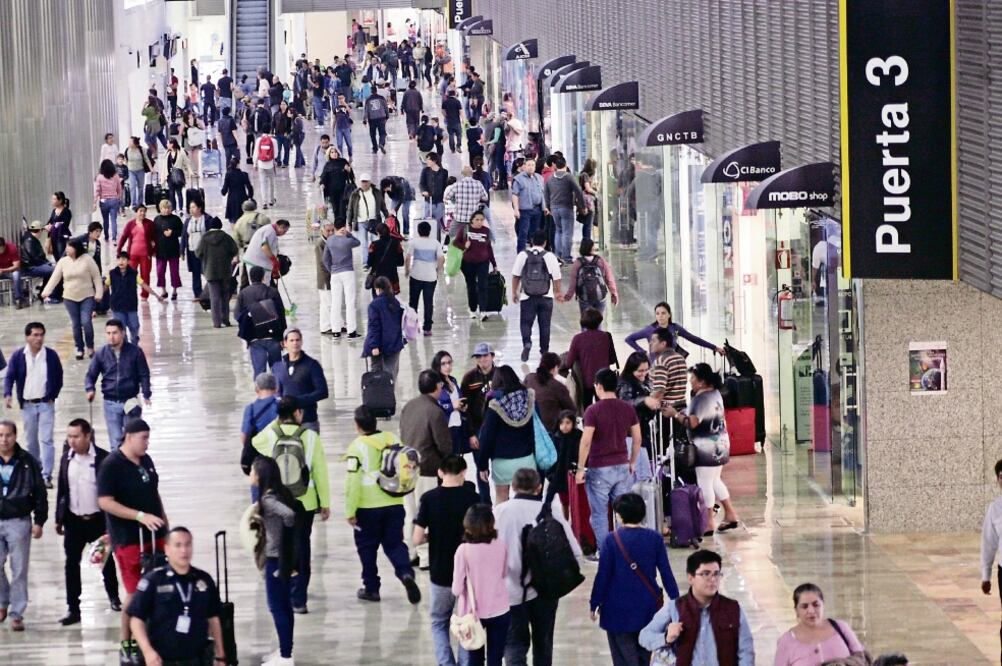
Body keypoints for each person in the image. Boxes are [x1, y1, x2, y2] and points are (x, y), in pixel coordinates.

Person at [252, 397, 331, 614]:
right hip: (304, 501)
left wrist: (276, 423)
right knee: (302, 546)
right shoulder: (311, 437)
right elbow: (320, 472)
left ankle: (282, 591)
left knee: (278, 546)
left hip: (277, 501)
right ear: (298, 412)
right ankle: (299, 599)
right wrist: (324, 503)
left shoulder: (270, 435)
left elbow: (254, 442)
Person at [96, 418, 166, 663]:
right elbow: (105, 501)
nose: (147, 443)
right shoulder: (112, 465)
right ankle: (127, 641)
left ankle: (152, 634)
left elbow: (154, 494)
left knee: (157, 586)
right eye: (143, 438)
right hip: (128, 539)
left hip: (154, 535)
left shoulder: (146, 460)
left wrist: (163, 523)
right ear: (128, 437)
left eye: (148, 438)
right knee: (135, 593)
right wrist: (138, 516)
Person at [494, 468, 580, 666]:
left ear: (513, 487)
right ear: (539, 487)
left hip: (509, 591)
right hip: (546, 589)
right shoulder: (551, 511)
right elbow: (575, 552)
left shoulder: (499, 512)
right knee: (543, 644)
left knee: (514, 645)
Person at [590, 493, 679, 666]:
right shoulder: (654, 538)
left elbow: (603, 576)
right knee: (644, 655)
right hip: (647, 607)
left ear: (620, 515)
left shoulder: (611, 540)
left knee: (623, 658)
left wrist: (594, 603)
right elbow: (666, 574)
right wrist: (676, 602)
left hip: (616, 610)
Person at [344, 405, 422, 604]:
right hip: (394, 503)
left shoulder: (356, 447)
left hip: (367, 508)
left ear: (357, 425)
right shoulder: (391, 439)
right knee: (395, 544)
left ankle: (371, 588)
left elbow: (353, 483)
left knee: (367, 549)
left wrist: (350, 511)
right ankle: (406, 573)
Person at [413, 454, 479, 664]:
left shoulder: (429, 498)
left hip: (440, 572)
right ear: (464, 472)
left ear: (440, 473)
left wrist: (432, 536)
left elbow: (416, 538)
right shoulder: (473, 499)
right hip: (469, 573)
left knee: (439, 622)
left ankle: (446, 662)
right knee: (466, 622)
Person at [128, 527, 226, 666]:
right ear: (167, 549)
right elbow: (136, 620)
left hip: (196, 659)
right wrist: (147, 651)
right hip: (162, 660)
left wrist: (220, 654)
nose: (184, 551)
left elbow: (213, 618)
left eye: (188, 544)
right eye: (178, 545)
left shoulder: (203, 580)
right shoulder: (154, 580)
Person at [55, 418, 121, 626]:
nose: (71, 441)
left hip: (98, 521)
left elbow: (114, 493)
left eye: (76, 436)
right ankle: (73, 608)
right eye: (69, 436)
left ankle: (114, 597)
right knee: (71, 565)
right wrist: (59, 518)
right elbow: (62, 490)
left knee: (106, 562)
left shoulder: (104, 459)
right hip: (74, 521)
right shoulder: (66, 458)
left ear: (87, 436)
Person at [639, 549, 754, 665]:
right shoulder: (675, 608)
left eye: (716, 574)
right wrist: (666, 638)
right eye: (705, 574)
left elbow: (746, 651)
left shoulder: (733, 609)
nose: (713, 579)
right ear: (690, 578)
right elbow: (644, 636)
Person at [664, 363, 741, 535]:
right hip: (721, 443)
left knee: (705, 483)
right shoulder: (715, 394)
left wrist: (674, 414)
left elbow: (692, 423)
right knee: (714, 481)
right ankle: (730, 514)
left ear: (701, 382)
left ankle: (709, 522)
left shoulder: (700, 398)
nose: (690, 381)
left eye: (692, 378)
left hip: (706, 446)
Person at [575, 368, 642, 557]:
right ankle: (626, 550)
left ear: (599, 386)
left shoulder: (593, 410)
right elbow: (637, 439)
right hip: (622, 465)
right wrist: (633, 461)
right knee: (624, 512)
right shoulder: (627, 408)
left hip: (599, 469)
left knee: (599, 514)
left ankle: (605, 552)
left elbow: (586, 441)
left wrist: (581, 468)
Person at [250, 456, 299, 666]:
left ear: (260, 475)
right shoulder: (280, 493)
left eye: (252, 471)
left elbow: (289, 515)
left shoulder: (268, 501)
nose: (250, 474)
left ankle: (286, 656)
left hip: (275, 559)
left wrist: (281, 542)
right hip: (282, 558)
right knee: (285, 606)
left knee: (276, 606)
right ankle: (285, 649)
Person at [400, 370, 453, 562]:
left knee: (410, 513)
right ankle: (424, 557)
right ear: (437, 386)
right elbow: (444, 445)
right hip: (427, 469)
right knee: (426, 514)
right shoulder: (435, 411)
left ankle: (410, 552)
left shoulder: (408, 407)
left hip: (406, 468)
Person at [0, 419, 47, 633]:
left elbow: (39, 492)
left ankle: (16, 612)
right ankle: (2, 601)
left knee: (19, 569)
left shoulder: (27, 461)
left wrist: (39, 521)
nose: (4, 440)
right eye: (0, 436)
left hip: (19, 520)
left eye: (8, 435)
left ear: (15, 436)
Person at [3, 322, 63, 486]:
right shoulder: (18, 356)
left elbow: (59, 376)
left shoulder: (50, 355)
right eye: (35, 335)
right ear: (27, 337)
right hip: (28, 405)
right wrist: (7, 394)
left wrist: (53, 395)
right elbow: (10, 377)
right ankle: (35, 470)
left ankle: (46, 475)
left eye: (41, 334)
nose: (39, 338)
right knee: (31, 441)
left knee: (46, 439)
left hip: (46, 404)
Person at [452, 504, 510, 666]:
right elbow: (504, 573)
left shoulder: (463, 551)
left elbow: (456, 589)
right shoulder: (500, 544)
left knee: (475, 659)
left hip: (473, 614)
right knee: (496, 658)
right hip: (500, 609)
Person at [85, 320, 153, 450]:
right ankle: (118, 468)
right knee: (115, 442)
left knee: (132, 439)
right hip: (110, 403)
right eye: (108, 333)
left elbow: (144, 374)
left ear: (122, 333)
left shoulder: (135, 352)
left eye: (114, 333)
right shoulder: (101, 353)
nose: (111, 336)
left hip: (130, 402)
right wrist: (90, 388)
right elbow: (91, 374)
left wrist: (146, 393)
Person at [476, 366, 536, 504]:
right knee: (526, 501)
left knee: (501, 498)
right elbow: (536, 429)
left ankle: (502, 525)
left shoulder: (494, 406)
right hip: (526, 459)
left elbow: (487, 438)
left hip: (502, 462)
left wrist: (482, 465)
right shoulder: (529, 401)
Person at [773, 583, 866, 666]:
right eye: (804, 606)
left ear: (823, 605)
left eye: (816, 604)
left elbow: (862, 659)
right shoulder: (786, 642)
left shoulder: (840, 627)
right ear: (796, 610)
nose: (811, 611)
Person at [42, 239, 104, 360]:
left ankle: (90, 347)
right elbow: (55, 277)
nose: (67, 250)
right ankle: (79, 348)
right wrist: (46, 291)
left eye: (69, 247)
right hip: (69, 297)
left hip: (87, 296)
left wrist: (99, 293)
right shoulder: (63, 261)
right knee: (75, 324)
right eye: (66, 247)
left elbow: (96, 277)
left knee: (86, 322)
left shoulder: (87, 260)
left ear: (76, 248)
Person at [511, 230, 564, 362]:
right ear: (545, 243)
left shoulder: (523, 255)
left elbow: (516, 275)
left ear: (532, 241)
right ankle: (544, 351)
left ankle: (527, 343)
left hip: (527, 296)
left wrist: (514, 292)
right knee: (545, 325)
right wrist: (557, 292)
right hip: (546, 296)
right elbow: (557, 277)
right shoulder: (550, 256)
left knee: (525, 323)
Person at [272, 329, 329, 433]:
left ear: (302, 342)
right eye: (292, 340)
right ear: (284, 343)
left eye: (297, 340)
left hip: (307, 421)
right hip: (285, 423)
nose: (295, 343)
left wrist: (298, 401)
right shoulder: (277, 367)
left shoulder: (312, 365)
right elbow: (275, 392)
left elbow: (323, 392)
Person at [626, 302, 724, 361]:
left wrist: (714, 347)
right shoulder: (649, 330)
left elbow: (694, 339)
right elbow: (629, 339)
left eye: (663, 313)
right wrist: (642, 352)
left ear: (669, 315)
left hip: (673, 366)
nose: (660, 316)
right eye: (657, 313)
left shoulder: (675, 328)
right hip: (656, 368)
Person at [616, 352, 661, 479]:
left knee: (645, 470)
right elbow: (624, 404)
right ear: (631, 370)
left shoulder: (646, 381)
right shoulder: (625, 384)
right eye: (640, 371)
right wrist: (644, 400)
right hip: (631, 435)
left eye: (647, 370)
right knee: (638, 474)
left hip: (645, 431)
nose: (644, 373)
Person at [566, 308, 619, 409]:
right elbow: (612, 360)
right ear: (599, 321)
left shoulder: (578, 338)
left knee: (587, 410)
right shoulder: (606, 336)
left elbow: (569, 362)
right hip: (604, 381)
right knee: (604, 409)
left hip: (586, 382)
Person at [543, 155, 588, 263]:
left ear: (555, 166)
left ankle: (558, 255)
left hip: (554, 208)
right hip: (566, 207)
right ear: (565, 165)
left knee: (558, 231)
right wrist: (582, 206)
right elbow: (578, 191)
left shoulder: (550, 178)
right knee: (567, 232)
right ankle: (566, 257)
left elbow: (546, 193)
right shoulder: (568, 177)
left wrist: (548, 207)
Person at [455, 210, 498, 321]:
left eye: (481, 220)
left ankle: (483, 310)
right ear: (472, 220)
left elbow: (489, 248)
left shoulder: (486, 231)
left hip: (483, 262)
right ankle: (473, 309)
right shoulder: (465, 230)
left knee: (483, 285)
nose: (479, 222)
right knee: (471, 286)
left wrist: (494, 264)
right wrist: (464, 245)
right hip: (467, 263)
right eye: (477, 220)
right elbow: (456, 242)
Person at [195, 220, 239, 327]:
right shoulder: (226, 237)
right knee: (225, 296)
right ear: (220, 226)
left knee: (214, 298)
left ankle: (217, 322)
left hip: (210, 271)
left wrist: (206, 259)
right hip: (225, 271)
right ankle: (225, 319)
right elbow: (234, 250)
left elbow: (198, 253)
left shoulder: (204, 239)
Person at [323, 218, 361, 339]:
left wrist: (331, 270)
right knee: (350, 302)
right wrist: (348, 233)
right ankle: (351, 331)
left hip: (335, 274)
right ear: (343, 227)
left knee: (335, 302)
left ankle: (336, 331)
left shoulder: (329, 240)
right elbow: (358, 242)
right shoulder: (348, 240)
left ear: (334, 227)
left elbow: (325, 259)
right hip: (348, 272)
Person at [362, 276, 406, 381]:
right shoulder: (396, 303)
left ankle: (380, 397)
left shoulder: (374, 305)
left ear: (378, 289)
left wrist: (374, 346)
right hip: (395, 344)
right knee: (391, 374)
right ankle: (389, 395)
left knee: (377, 375)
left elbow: (374, 327)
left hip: (380, 346)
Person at [405, 220, 443, 335]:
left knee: (413, 302)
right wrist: (437, 270)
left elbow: (407, 258)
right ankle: (427, 328)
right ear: (430, 231)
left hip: (416, 275)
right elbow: (441, 259)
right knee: (428, 302)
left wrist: (407, 270)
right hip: (430, 277)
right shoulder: (435, 243)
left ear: (418, 231)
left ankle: (412, 327)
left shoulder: (414, 242)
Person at [239, 372, 281, 476]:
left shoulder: (250, 409)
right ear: (276, 388)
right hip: (280, 456)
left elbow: (244, 438)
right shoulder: (282, 405)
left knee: (259, 488)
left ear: (256, 388)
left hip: (259, 460)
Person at [523, 352, 576, 433]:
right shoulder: (558, 386)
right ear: (555, 368)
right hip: (550, 429)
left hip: (528, 426)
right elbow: (571, 409)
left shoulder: (529, 378)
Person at [564, 238, 618, 313]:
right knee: (598, 321)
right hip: (600, 296)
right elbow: (609, 278)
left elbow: (573, 283)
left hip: (584, 296)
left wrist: (568, 296)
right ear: (592, 248)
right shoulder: (600, 260)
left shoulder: (578, 263)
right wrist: (614, 293)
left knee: (586, 322)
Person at [181, 198, 220, 299]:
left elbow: (213, 233)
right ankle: (197, 293)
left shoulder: (207, 219)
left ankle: (211, 291)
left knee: (207, 271)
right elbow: (184, 236)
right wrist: (182, 251)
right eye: (190, 208)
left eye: (193, 207)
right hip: (192, 250)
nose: (191, 209)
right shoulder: (188, 221)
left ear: (199, 208)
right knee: (195, 272)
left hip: (205, 251)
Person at [347, 173, 388, 267]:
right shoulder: (355, 194)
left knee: (376, 242)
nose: (364, 184)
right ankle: (365, 263)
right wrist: (349, 223)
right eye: (362, 182)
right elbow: (350, 209)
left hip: (374, 222)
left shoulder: (377, 192)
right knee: (363, 243)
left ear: (370, 182)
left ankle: (376, 261)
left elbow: (383, 206)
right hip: (360, 222)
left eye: (366, 182)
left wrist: (387, 218)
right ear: (360, 183)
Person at [118, 205, 157, 299]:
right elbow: (123, 237)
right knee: (130, 275)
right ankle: (130, 293)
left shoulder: (150, 224)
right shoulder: (130, 224)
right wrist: (119, 250)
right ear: (136, 212)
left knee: (145, 275)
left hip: (145, 255)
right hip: (132, 255)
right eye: (140, 211)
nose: (142, 213)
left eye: (144, 211)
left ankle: (144, 294)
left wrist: (154, 251)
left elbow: (155, 238)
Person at [649, 327, 688, 411]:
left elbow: (659, 390)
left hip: (666, 412)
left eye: (653, 340)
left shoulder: (661, 360)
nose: (650, 343)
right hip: (682, 408)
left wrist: (647, 404)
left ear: (663, 343)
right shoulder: (680, 357)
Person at [444, 165, 489, 238]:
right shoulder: (478, 184)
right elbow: (485, 198)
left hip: (459, 218)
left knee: (451, 238)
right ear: (472, 173)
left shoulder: (457, 185)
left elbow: (447, 197)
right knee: (472, 240)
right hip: (473, 219)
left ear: (462, 174)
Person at [511, 158, 545, 253]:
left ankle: (535, 253)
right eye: (529, 165)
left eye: (533, 165)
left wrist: (545, 207)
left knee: (535, 234)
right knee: (523, 233)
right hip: (524, 210)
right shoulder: (518, 179)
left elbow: (542, 193)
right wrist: (516, 209)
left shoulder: (539, 178)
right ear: (524, 166)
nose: (531, 167)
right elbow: (515, 195)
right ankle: (521, 254)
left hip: (537, 209)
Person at [244, 218, 291, 286]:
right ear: (280, 227)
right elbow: (265, 247)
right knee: (263, 286)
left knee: (257, 285)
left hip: (256, 262)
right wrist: (274, 260)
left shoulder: (269, 230)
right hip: (257, 263)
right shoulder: (270, 231)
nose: (284, 234)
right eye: (284, 231)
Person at [152, 199, 183, 300]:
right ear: (160, 209)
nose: (166, 210)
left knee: (174, 271)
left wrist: (172, 233)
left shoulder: (176, 219)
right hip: (160, 250)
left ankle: (174, 290)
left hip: (173, 250)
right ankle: (163, 290)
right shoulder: (157, 219)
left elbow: (182, 231)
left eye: (168, 208)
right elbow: (153, 234)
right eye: (164, 208)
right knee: (160, 271)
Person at [366, 222, 405, 295]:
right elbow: (401, 262)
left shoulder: (374, 245)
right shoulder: (396, 243)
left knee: (377, 302)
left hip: (378, 277)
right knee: (390, 301)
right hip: (392, 277)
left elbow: (369, 263)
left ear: (378, 233)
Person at [320, 146, 354, 221]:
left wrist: (349, 170)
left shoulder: (343, 161)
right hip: (332, 191)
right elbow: (324, 176)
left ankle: (343, 226)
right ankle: (337, 226)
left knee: (342, 209)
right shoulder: (328, 165)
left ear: (338, 153)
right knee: (335, 209)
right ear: (329, 154)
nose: (334, 154)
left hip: (343, 190)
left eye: (335, 152)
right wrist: (322, 184)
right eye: (332, 152)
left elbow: (351, 176)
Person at [158, 139, 191, 212]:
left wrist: (190, 172)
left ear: (172, 144)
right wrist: (162, 177)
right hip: (169, 176)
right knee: (171, 193)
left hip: (178, 175)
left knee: (179, 192)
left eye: (168, 143)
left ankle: (181, 208)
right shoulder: (167, 153)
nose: (167, 145)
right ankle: (173, 209)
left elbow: (187, 163)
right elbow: (164, 166)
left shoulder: (181, 152)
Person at [95, 159, 124, 242]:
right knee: (113, 220)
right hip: (114, 200)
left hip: (103, 201)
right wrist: (118, 198)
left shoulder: (99, 177)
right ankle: (114, 237)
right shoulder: (115, 176)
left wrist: (95, 202)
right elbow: (119, 188)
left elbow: (97, 190)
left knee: (105, 220)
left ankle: (106, 235)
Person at [419, 152, 449, 230]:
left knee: (438, 223)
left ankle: (437, 240)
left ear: (434, 161)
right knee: (427, 223)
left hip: (439, 202)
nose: (427, 161)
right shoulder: (425, 171)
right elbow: (421, 183)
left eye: (428, 160)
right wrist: (424, 191)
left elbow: (445, 186)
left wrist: (445, 198)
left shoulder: (444, 172)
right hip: (428, 201)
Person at [221, 156, 254, 224]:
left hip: (232, 201)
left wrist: (222, 191)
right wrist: (250, 197)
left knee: (233, 221)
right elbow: (249, 188)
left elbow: (224, 191)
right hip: (243, 199)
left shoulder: (228, 175)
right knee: (243, 221)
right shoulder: (244, 175)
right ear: (238, 165)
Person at [254, 129, 279, 208]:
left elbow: (256, 153)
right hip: (270, 164)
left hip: (261, 164)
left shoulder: (259, 140)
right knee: (271, 183)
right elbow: (275, 155)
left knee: (263, 184)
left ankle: (264, 202)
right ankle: (271, 200)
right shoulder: (273, 140)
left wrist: (255, 163)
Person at [47, 191, 74, 262]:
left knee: (62, 255)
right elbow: (50, 221)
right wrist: (47, 226)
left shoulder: (67, 211)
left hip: (61, 237)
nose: (52, 201)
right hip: (53, 236)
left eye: (54, 199)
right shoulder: (54, 211)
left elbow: (64, 224)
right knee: (56, 255)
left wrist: (52, 225)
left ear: (60, 200)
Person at [363, 85, 389, 153]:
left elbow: (366, 110)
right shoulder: (382, 98)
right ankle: (381, 144)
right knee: (382, 133)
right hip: (381, 118)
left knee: (372, 134)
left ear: (371, 91)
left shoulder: (368, 99)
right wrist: (387, 115)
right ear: (376, 91)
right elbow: (386, 107)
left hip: (372, 119)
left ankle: (375, 148)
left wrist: (364, 119)